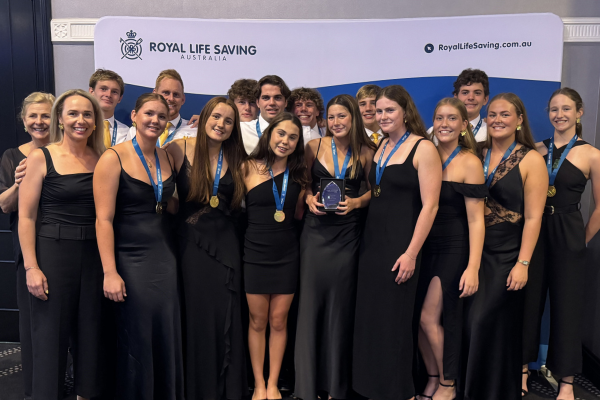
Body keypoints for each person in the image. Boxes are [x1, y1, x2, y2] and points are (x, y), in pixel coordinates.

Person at [353, 85, 442, 400]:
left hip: (401, 249)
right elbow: (378, 196)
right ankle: (369, 388)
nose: (382, 116)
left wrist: (411, 254)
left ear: (405, 111)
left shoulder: (423, 148)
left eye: (389, 110)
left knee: (394, 323)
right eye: (378, 111)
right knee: (371, 319)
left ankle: (396, 391)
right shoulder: (380, 147)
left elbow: (430, 206)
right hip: (372, 246)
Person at [94, 93, 183, 399]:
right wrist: (109, 272)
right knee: (138, 335)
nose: (155, 121)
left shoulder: (165, 157)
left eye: (161, 116)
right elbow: (103, 220)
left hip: (165, 256)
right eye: (149, 114)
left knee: (164, 330)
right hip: (130, 258)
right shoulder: (113, 157)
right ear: (133, 115)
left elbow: (170, 206)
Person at [18, 89, 105, 400]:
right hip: (53, 254)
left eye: (87, 114)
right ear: (60, 118)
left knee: (91, 335)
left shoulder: (105, 157)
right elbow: (26, 217)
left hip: (94, 255)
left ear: (96, 120)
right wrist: (31, 267)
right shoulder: (41, 157)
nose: (80, 120)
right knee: (49, 339)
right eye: (73, 113)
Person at [463, 93, 547, 400]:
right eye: (493, 114)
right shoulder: (475, 153)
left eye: (505, 115)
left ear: (520, 120)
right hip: (472, 251)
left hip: (508, 254)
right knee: (469, 323)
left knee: (484, 322)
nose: (497, 120)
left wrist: (523, 263)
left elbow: (534, 217)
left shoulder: (531, 159)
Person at [295, 94, 376, 400]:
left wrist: (356, 201)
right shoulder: (313, 147)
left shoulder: (367, 151)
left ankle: (335, 386)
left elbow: (375, 191)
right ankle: (307, 385)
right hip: (315, 236)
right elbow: (302, 183)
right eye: (331, 117)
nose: (336, 122)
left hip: (347, 237)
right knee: (309, 308)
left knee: (339, 310)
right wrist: (308, 198)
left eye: (342, 116)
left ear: (354, 118)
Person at [521, 88, 600, 400]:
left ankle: (566, 381)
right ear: (548, 113)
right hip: (536, 228)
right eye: (554, 109)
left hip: (568, 230)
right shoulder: (535, 150)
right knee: (528, 303)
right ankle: (522, 369)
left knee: (567, 308)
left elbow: (599, 207)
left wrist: (581, 241)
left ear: (579, 113)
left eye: (566, 109)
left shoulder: (591, 154)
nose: (560, 114)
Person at [167, 97, 248, 400]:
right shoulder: (178, 148)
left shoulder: (238, 156)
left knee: (226, 313)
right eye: (216, 117)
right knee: (196, 316)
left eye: (229, 121)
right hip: (189, 245)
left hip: (226, 246)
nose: (221, 124)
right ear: (203, 118)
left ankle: (226, 387)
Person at [415, 98, 486, 400]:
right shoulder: (423, 154)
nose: (444, 124)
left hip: (453, 249)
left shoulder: (469, 162)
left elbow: (476, 221)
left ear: (464, 125)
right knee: (417, 319)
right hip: (422, 248)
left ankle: (448, 383)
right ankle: (432, 377)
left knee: (429, 318)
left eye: (452, 119)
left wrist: (473, 267)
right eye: (439, 118)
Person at [242, 112, 308, 400]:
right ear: (269, 135)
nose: (286, 141)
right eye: (281, 134)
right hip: (254, 253)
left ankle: (273, 382)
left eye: (293, 137)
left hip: (287, 254)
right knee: (257, 321)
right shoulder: (245, 167)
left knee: (279, 321)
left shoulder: (299, 175)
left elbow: (299, 214)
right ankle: (258, 383)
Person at [0, 92, 54, 400]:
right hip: (28, 250)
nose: (39, 121)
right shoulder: (12, 156)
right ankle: (35, 390)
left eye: (45, 115)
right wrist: (21, 183)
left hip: (63, 245)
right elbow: (5, 206)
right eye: (33, 116)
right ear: (24, 121)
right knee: (33, 323)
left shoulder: (65, 152)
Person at [127, 69, 196, 145]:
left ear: (183, 99)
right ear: (155, 94)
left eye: (176, 94)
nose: (171, 98)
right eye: (166, 93)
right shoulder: (136, 130)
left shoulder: (194, 131)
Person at [428, 69, 490, 144]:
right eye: (465, 93)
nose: (471, 98)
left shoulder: (490, 132)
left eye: (477, 93)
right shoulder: (434, 132)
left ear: (485, 99)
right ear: (456, 97)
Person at [240, 75, 291, 154]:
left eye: (277, 98)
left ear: (286, 102)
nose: (272, 103)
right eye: (266, 98)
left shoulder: (300, 133)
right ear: (258, 103)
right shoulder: (241, 130)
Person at [88, 69, 130, 147]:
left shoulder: (126, 132)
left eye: (114, 92)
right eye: (103, 89)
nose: (108, 95)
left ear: (120, 98)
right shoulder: (83, 126)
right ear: (91, 92)